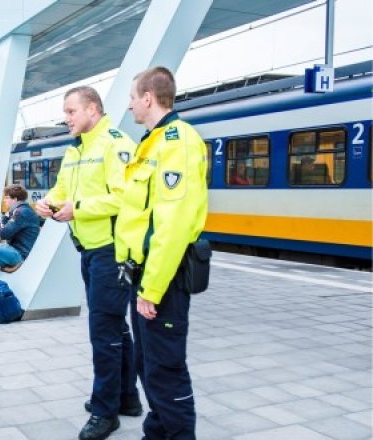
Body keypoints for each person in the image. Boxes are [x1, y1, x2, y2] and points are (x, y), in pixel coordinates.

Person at [35, 85, 142, 440]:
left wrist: (77, 209)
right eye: (65, 112)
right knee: (115, 327)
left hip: (112, 252)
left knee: (104, 332)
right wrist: (47, 203)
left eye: (71, 111)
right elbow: (63, 190)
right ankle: (127, 398)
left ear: (93, 110)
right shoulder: (77, 149)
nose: (65, 119)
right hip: (89, 249)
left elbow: (125, 197)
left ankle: (104, 412)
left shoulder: (116, 144)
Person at [116, 66, 208, 440]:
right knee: (147, 364)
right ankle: (156, 432)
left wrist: (151, 290)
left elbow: (172, 224)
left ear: (148, 98)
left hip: (163, 280)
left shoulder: (177, 142)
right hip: (144, 274)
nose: (130, 104)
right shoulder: (152, 142)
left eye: (133, 96)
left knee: (165, 368)